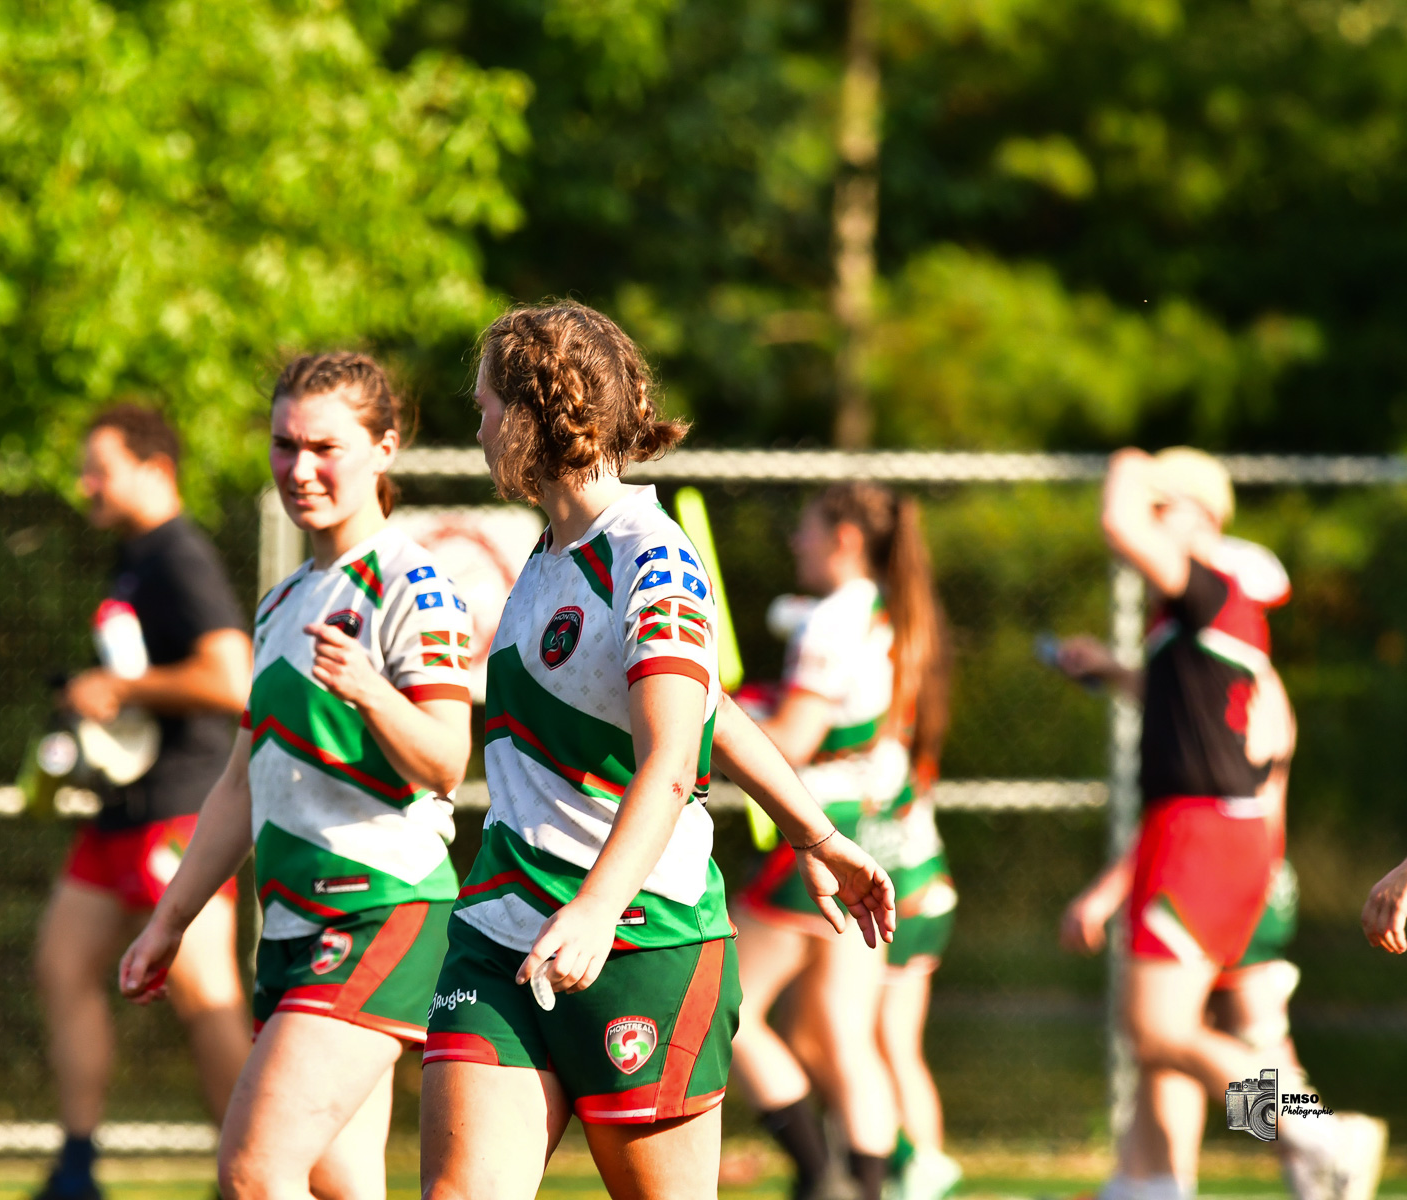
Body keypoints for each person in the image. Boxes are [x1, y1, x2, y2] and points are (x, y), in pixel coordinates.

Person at [418, 301, 894, 1200]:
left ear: (534, 414)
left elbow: (677, 755)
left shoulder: (652, 558)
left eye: (484, 406)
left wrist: (595, 910)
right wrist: (813, 833)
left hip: (639, 939)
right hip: (501, 934)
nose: (476, 425)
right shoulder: (548, 552)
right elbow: (709, 703)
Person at [119, 352, 474, 1200]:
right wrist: (169, 921)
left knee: (253, 1171)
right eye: (284, 445)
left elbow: (445, 760)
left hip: (378, 906)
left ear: (385, 447)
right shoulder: (285, 601)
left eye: (326, 447)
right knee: (336, 1184)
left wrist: (370, 692)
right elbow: (240, 786)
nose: (300, 468)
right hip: (290, 924)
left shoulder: (413, 583)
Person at [1076, 446, 1385, 1200]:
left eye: (1166, 506)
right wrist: (1114, 675)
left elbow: (1118, 523)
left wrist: (1127, 464)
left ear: (1201, 517)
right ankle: (1153, 1182)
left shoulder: (1213, 585)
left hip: (1215, 841)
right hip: (1202, 837)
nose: (1151, 521)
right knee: (1176, 1036)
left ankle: (1321, 1141)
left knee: (1187, 1031)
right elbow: (1189, 711)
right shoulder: (1198, 618)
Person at [33, 403, 254, 1200]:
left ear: (155, 470)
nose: (84, 484)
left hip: (186, 806)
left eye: (100, 467)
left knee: (204, 992)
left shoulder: (178, 556)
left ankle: (250, 1171)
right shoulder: (132, 557)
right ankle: (77, 1166)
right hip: (120, 808)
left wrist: (117, 687)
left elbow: (233, 681)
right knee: (62, 964)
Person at [732, 483, 959, 1200]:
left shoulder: (836, 618)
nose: (795, 543)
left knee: (722, 1006)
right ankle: (867, 1185)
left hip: (823, 834)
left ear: (846, 538)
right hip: (877, 837)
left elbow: (796, 741)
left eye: (805, 530)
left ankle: (815, 1170)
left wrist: (705, 728)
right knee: (848, 1040)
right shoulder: (892, 615)